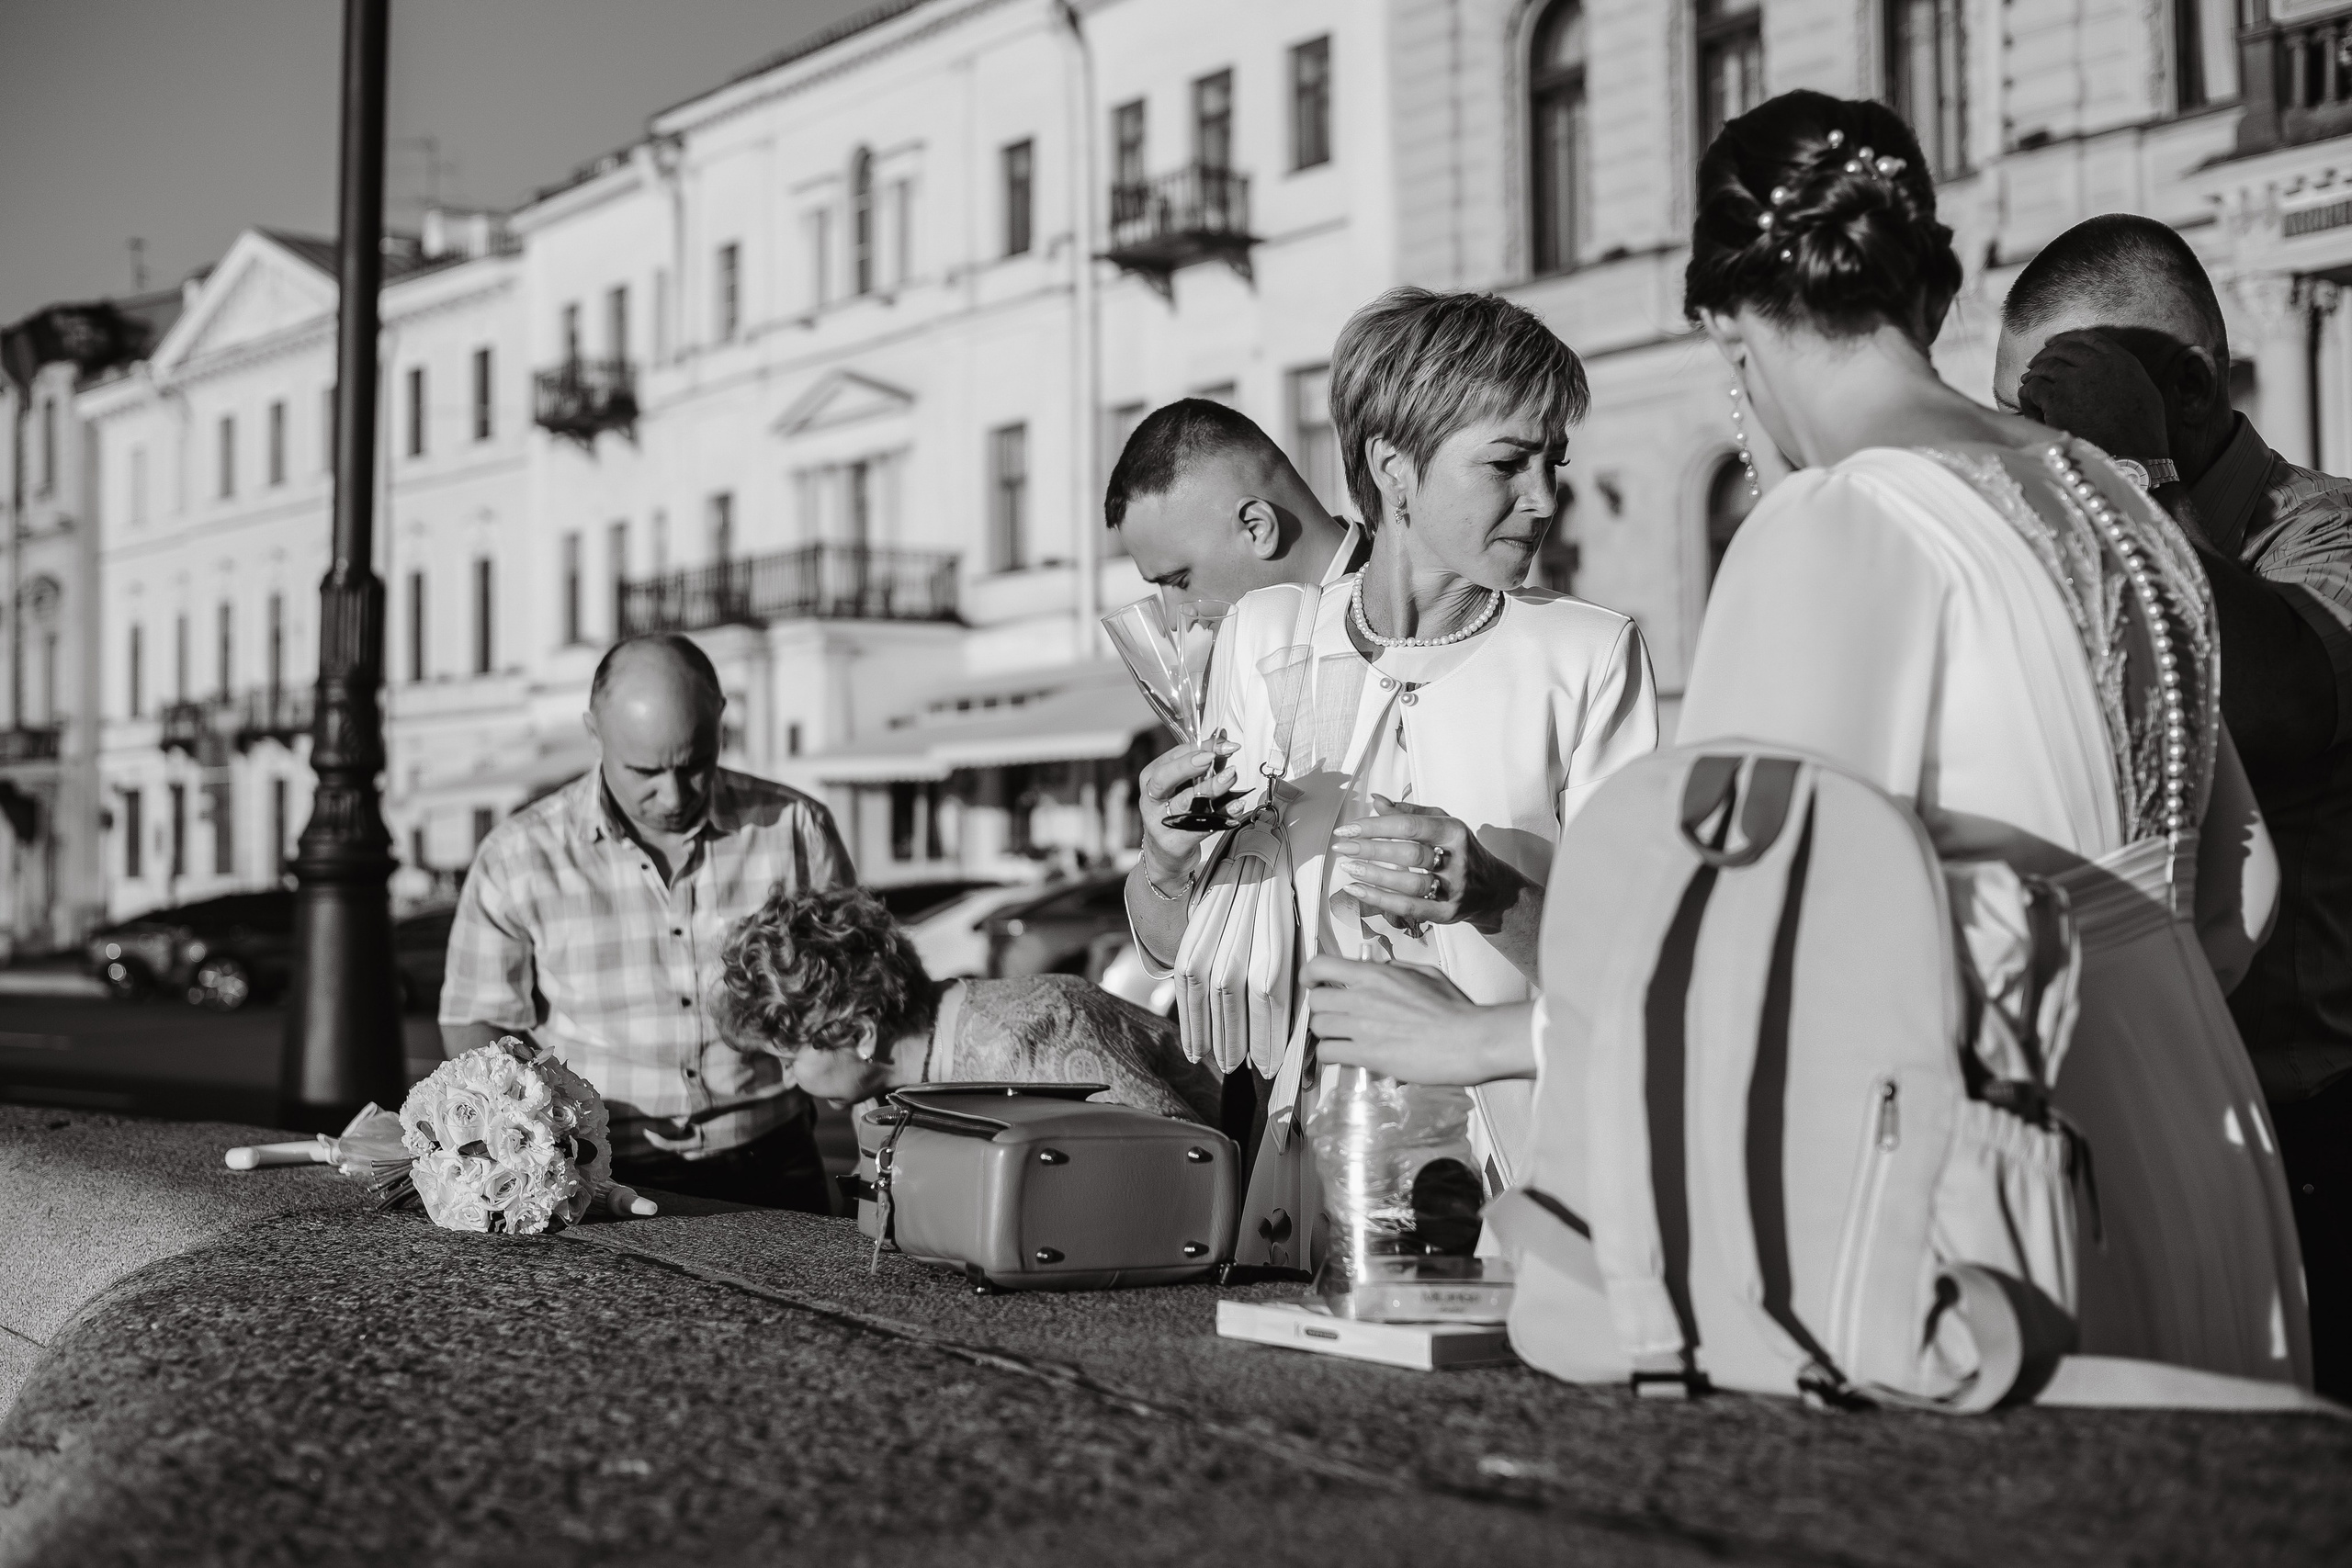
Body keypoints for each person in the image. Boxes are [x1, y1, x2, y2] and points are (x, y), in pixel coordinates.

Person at [1320, 90, 2308, 1386]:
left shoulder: (1832, 521)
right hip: (2210, 1139)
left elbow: (1740, 964)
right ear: (1934, 291)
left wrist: (1471, 1041)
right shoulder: (2116, 501)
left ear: (1728, 330)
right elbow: (2245, 892)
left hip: (1997, 1197)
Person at [1128, 287, 1658, 1262]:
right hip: (1309, 1177)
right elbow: (1196, 955)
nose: (1543, 497)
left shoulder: (1587, 654)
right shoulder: (1265, 637)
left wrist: (1494, 895)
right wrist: (1166, 864)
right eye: (1506, 463)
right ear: (1392, 467)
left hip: (1517, 1183)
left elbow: (1639, 973)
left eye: (1553, 461)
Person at [1994, 215, 2352, 1396]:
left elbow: (2278, 707)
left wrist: (2127, 483)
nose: (2030, 450)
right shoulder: (2070, 548)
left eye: (2062, 414)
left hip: (2307, 1149)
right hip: (2113, 1141)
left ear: (2186, 392)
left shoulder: (2324, 530)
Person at [439, 633, 854, 1213]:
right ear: (594, 732)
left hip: (775, 1156)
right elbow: (476, 1016)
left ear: (720, 723)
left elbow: (854, 996)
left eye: (694, 766)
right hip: (599, 1170)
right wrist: (528, 1142)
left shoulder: (795, 828)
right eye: (646, 770)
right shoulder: (518, 855)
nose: (674, 793)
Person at [716, 885, 1223, 1126]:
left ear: (861, 1033)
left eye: (788, 1060)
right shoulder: (897, 1084)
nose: (785, 1080)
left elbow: (1188, 1156)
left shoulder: (1031, 1037)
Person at [1105, 397, 1371, 610]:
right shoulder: (1241, 655)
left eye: (1180, 581)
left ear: (1257, 528)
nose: (1175, 620)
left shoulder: (1402, 623)